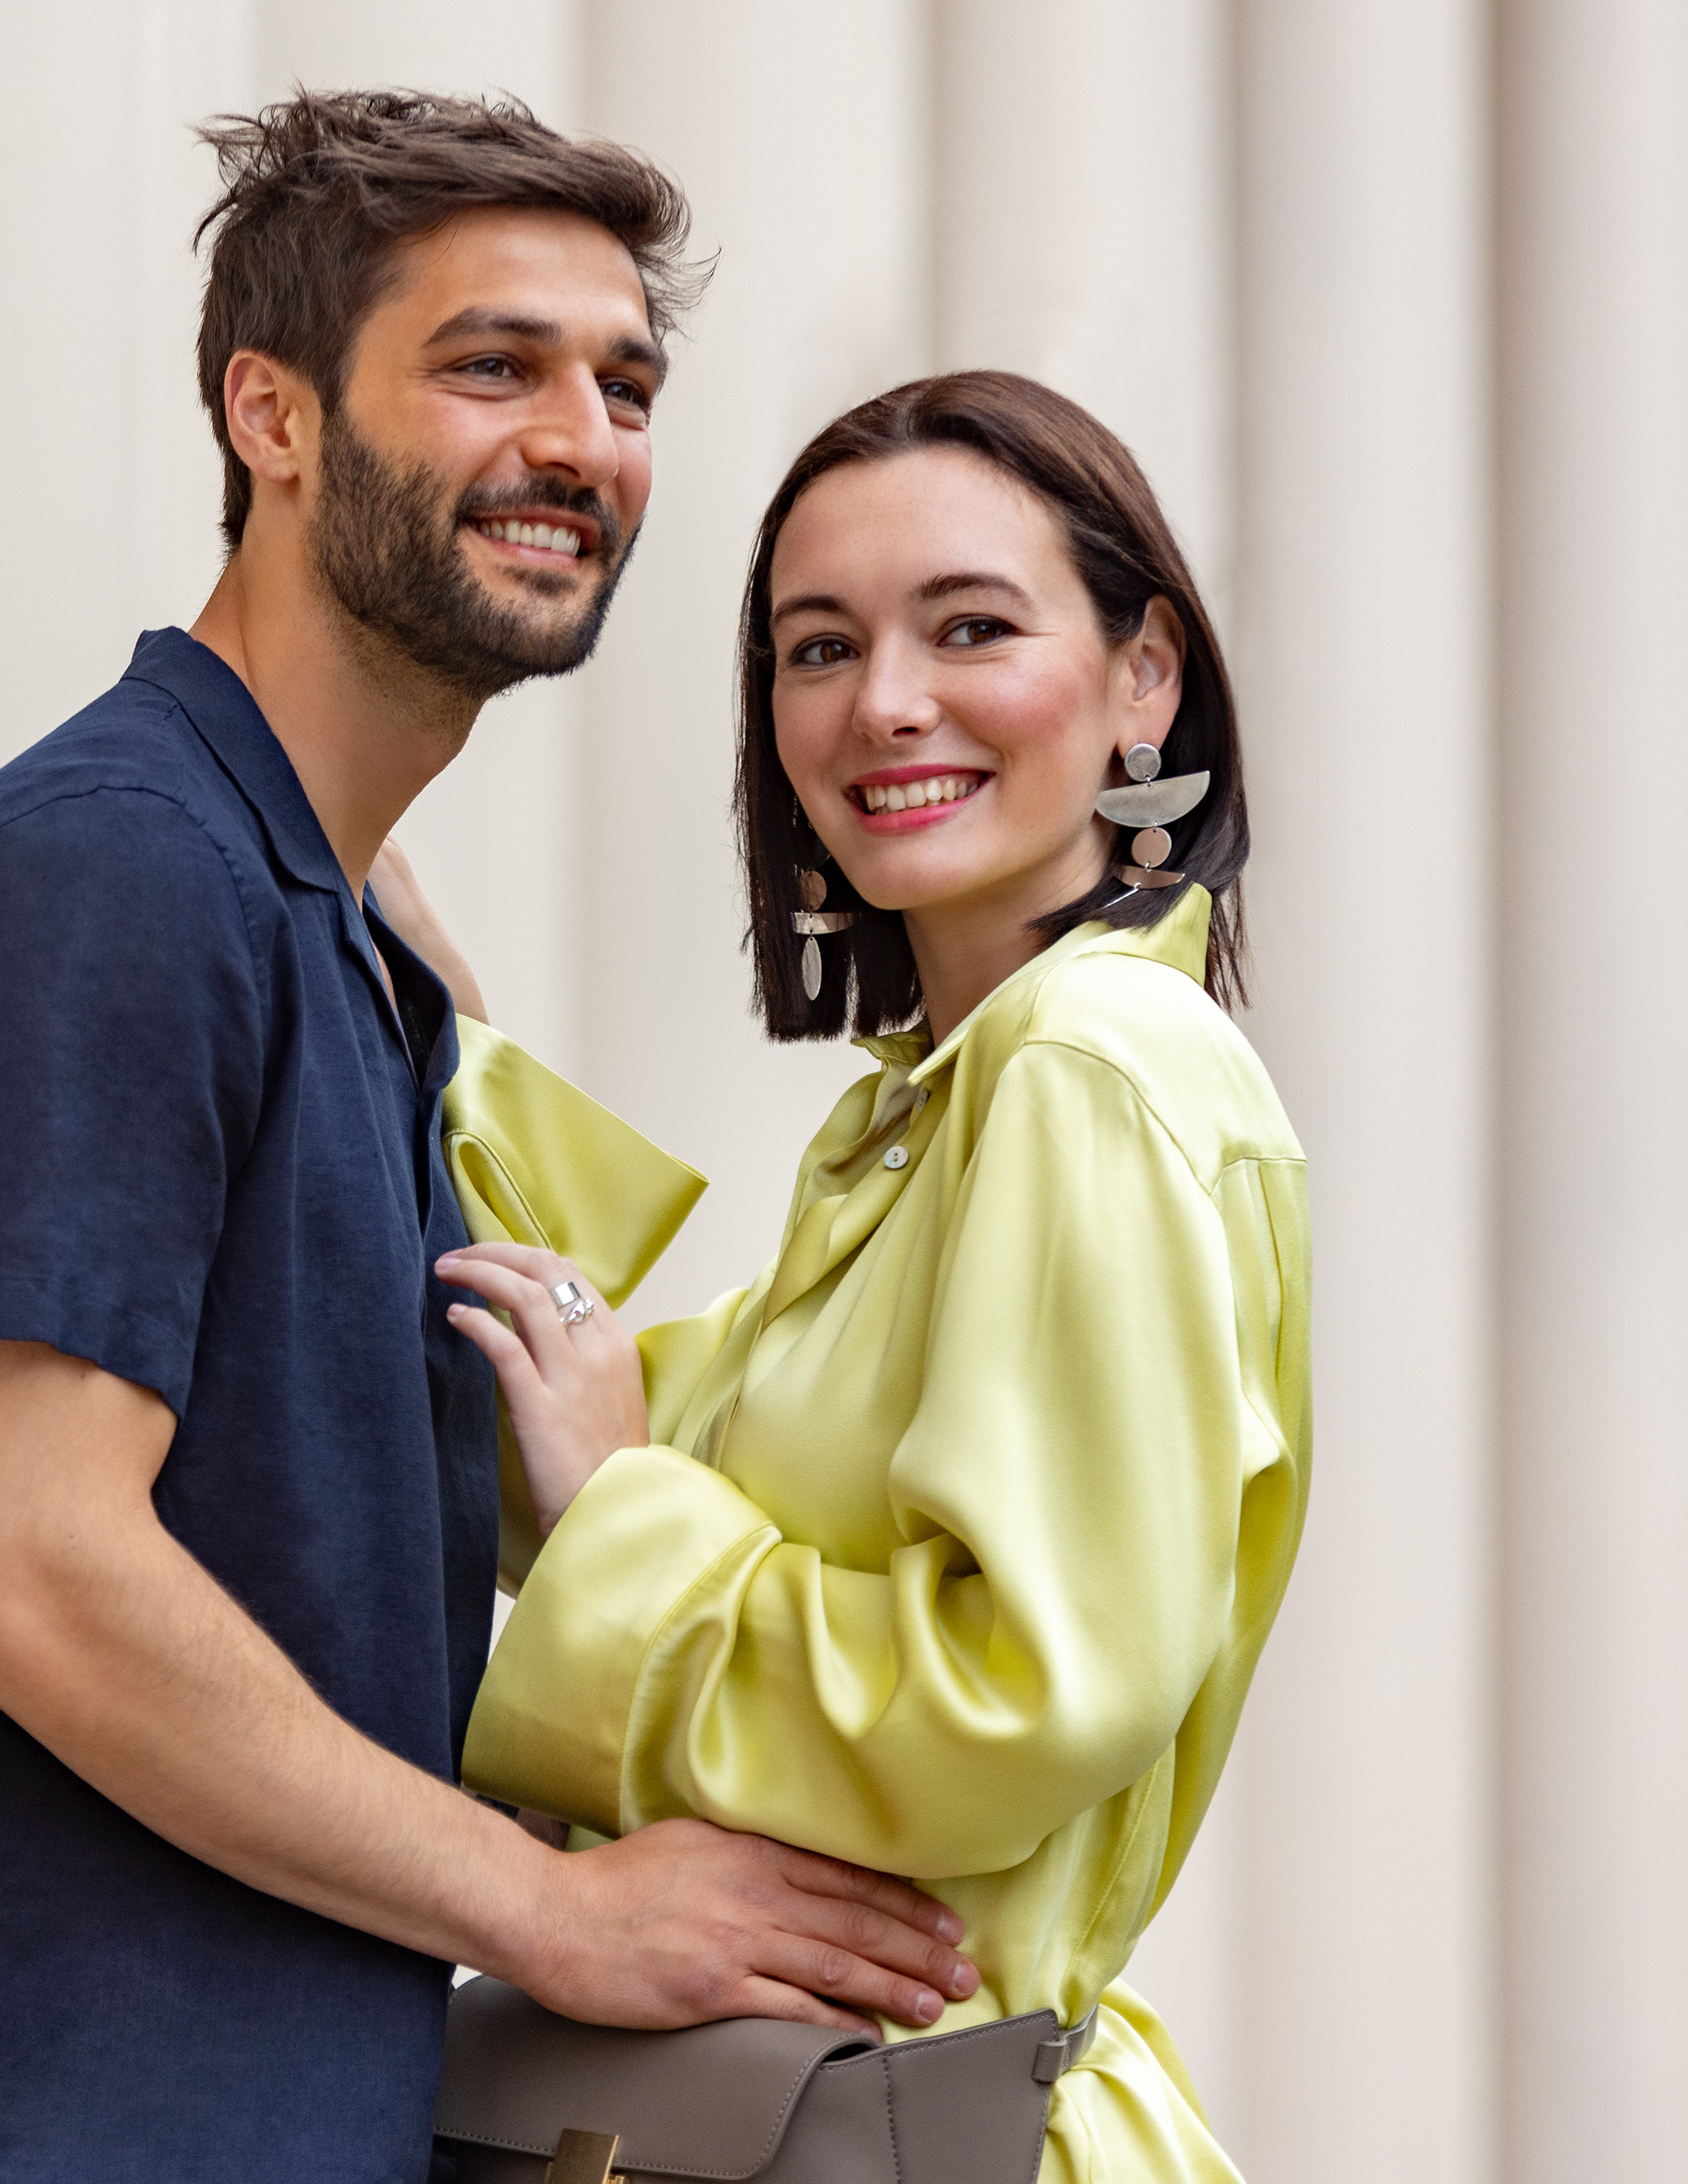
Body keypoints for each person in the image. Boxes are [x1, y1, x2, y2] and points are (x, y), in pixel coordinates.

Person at [0, 91, 980, 2184]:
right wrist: (558, 1912)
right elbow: (19, 1563)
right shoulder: (116, 880)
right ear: (274, 415)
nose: (580, 440)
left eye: (625, 384)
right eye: (491, 365)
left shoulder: (292, 906)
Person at [406, 371, 1309, 2182]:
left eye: (968, 627)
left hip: (905, 2121)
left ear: (1147, 680)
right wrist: (436, 1045)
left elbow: (1031, 1681)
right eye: (816, 649)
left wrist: (623, 1513)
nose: (883, 702)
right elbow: (589, 1436)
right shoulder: (946, 1111)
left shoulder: (1080, 1070)